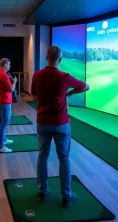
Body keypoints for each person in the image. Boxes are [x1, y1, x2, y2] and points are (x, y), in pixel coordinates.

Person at [31, 46, 90, 207]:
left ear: (45, 57)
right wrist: (68, 94)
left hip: (42, 122)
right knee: (63, 157)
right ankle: (66, 196)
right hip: (61, 123)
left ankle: (42, 192)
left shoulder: (37, 75)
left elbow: (34, 97)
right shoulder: (64, 76)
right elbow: (86, 86)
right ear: (61, 59)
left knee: (42, 155)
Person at [0, 58, 17, 153]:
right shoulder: (3, 75)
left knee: (1, 123)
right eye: (8, 64)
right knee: (4, 123)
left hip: (2, 100)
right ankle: (1, 146)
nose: (9, 66)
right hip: (4, 101)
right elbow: (11, 89)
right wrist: (15, 82)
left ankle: (2, 139)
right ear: (4, 65)